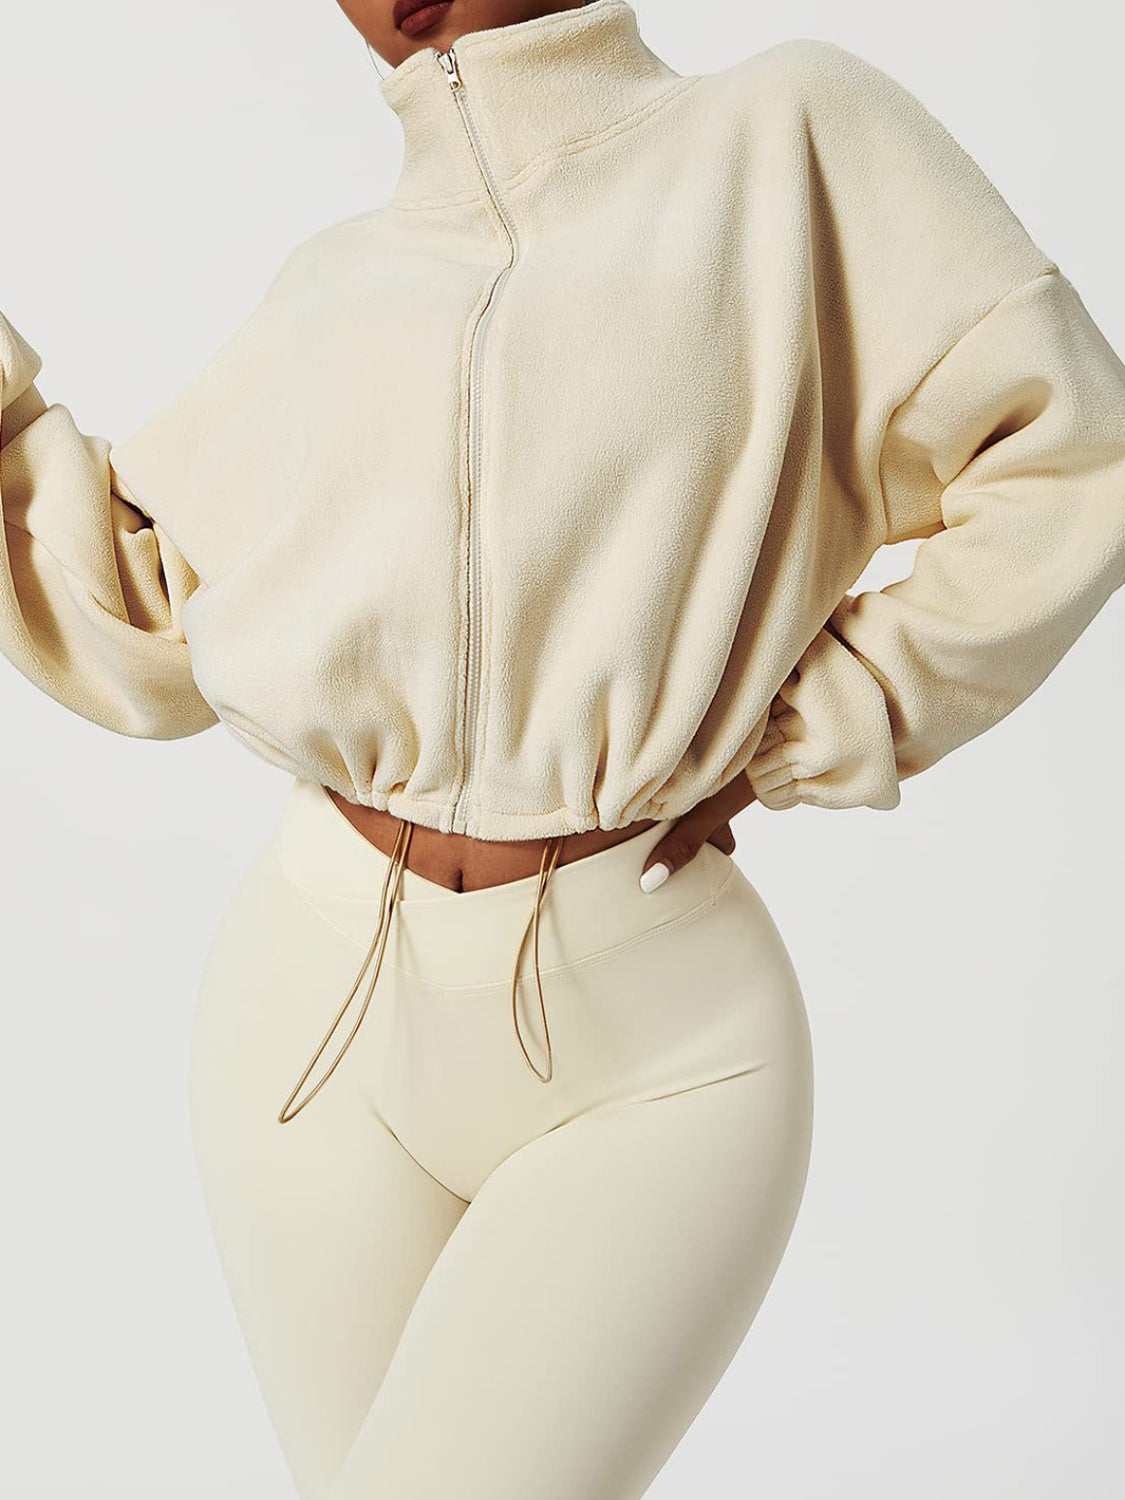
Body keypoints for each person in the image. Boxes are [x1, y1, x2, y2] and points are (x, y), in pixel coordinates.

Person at [2, 1, 1122, 1495]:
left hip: (657, 1054)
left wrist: (839, 710)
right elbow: (137, 626)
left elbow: (1075, 455)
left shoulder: (787, 139)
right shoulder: (333, 289)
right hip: (304, 1023)